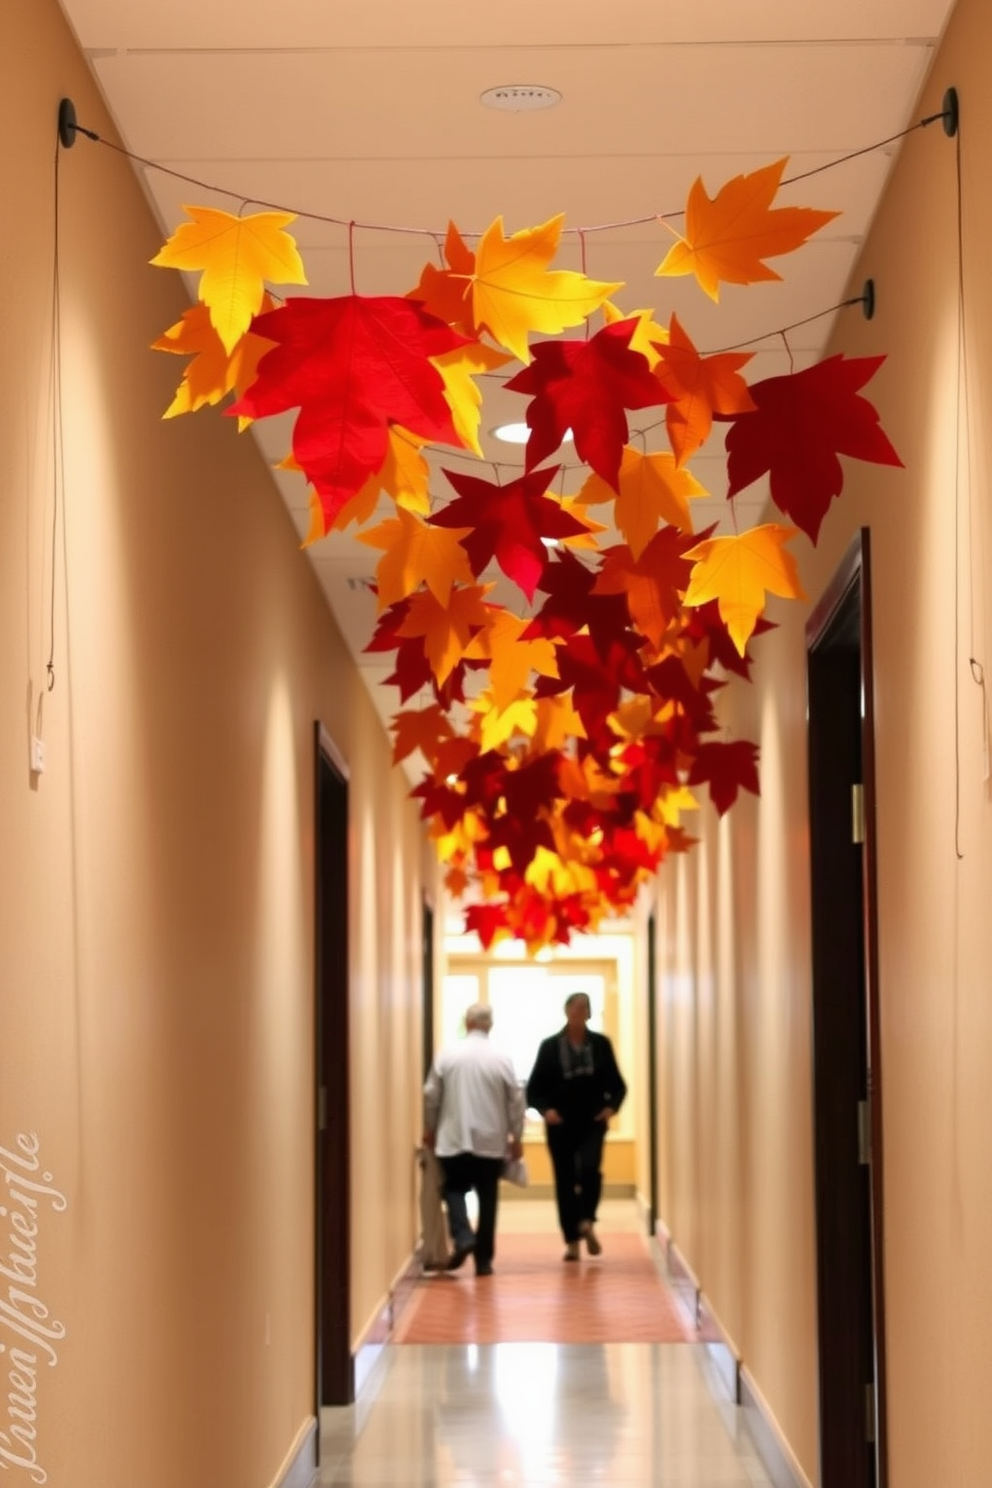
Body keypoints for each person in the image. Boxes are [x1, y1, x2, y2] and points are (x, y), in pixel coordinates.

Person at [423, 1003, 525, 1277]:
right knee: (488, 1197)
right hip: (491, 1141)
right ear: (489, 1026)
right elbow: (516, 1101)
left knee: (454, 1188)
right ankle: (483, 1261)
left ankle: (464, 1235)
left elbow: (431, 1094)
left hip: (452, 1137)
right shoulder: (501, 1059)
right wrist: (517, 1136)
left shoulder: (448, 1055)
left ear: (467, 1023)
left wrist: (430, 1128)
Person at [526, 992, 627, 1262]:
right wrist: (545, 1111)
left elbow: (618, 1085)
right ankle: (572, 1240)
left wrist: (611, 1107)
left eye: (585, 1008)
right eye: (575, 1007)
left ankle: (586, 1221)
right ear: (567, 1011)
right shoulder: (549, 1047)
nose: (579, 1012)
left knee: (591, 1169)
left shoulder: (600, 1045)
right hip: (561, 1124)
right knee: (565, 1179)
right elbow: (534, 1089)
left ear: (589, 1013)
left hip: (592, 1121)